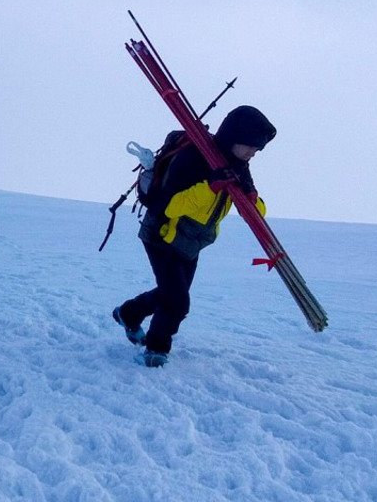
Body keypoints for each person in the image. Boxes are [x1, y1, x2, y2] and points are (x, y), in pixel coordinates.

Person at [113, 105, 277, 367]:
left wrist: (252, 199)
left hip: (192, 241)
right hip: (162, 235)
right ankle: (156, 348)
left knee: (170, 293)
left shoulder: (239, 167)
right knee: (178, 301)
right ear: (234, 137)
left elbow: (255, 214)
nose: (253, 152)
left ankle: (129, 313)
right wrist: (211, 187)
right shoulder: (195, 158)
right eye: (250, 145)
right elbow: (170, 206)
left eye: (257, 149)